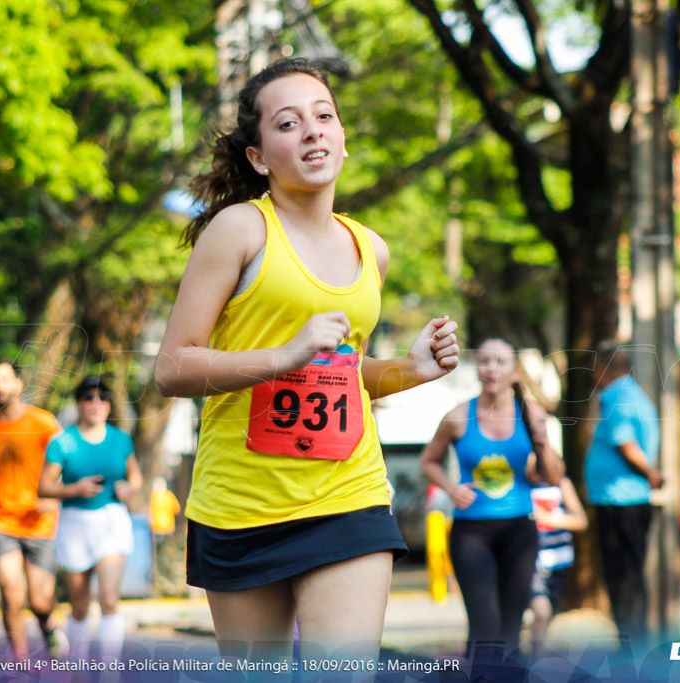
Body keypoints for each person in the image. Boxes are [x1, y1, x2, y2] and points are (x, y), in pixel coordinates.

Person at [154, 58, 459, 664]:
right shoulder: (239, 230)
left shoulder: (370, 248)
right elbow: (172, 368)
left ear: (343, 139)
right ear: (260, 157)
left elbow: (345, 376)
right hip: (242, 503)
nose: (313, 131)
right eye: (289, 123)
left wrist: (413, 368)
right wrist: (282, 357)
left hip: (347, 495)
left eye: (325, 117)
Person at [420, 339, 563, 656]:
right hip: (472, 533)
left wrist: (540, 442)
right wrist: (451, 487)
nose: (491, 369)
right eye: (485, 361)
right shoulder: (458, 416)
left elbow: (554, 476)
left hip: (519, 531)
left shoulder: (531, 416)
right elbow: (428, 461)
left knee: (512, 627)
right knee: (486, 624)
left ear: (515, 373)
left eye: (501, 362)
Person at [0, 359, 66, 661]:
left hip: (40, 521)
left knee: (40, 600)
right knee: (10, 593)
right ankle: (21, 662)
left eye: (5, 379)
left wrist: (53, 496)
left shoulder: (43, 422)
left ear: (18, 384)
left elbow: (66, 463)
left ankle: (48, 625)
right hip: (0, 520)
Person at [38, 376, 143, 663]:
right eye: (88, 397)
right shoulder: (63, 441)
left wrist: (130, 487)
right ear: (78, 403)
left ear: (109, 405)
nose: (95, 403)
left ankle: (109, 672)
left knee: (109, 600)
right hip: (74, 523)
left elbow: (135, 475)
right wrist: (74, 488)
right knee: (80, 606)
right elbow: (44, 487)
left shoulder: (121, 439)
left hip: (111, 521)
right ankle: (79, 668)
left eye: (102, 398)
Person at [584, 343, 662, 639]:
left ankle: (632, 647)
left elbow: (625, 443)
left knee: (623, 577)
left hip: (620, 501)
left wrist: (651, 473)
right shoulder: (634, 394)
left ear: (603, 368)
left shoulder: (616, 396)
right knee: (629, 574)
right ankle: (635, 643)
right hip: (626, 499)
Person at [526, 455, 587, 649]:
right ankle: (531, 660)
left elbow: (580, 520)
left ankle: (535, 659)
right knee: (541, 611)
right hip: (530, 560)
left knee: (548, 613)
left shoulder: (561, 484)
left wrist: (548, 518)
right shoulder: (520, 486)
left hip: (557, 560)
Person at [149, 476, 181, 542]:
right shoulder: (169, 495)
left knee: (157, 548)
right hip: (168, 526)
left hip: (156, 527)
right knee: (167, 547)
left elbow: (150, 511)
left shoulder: (154, 496)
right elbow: (177, 509)